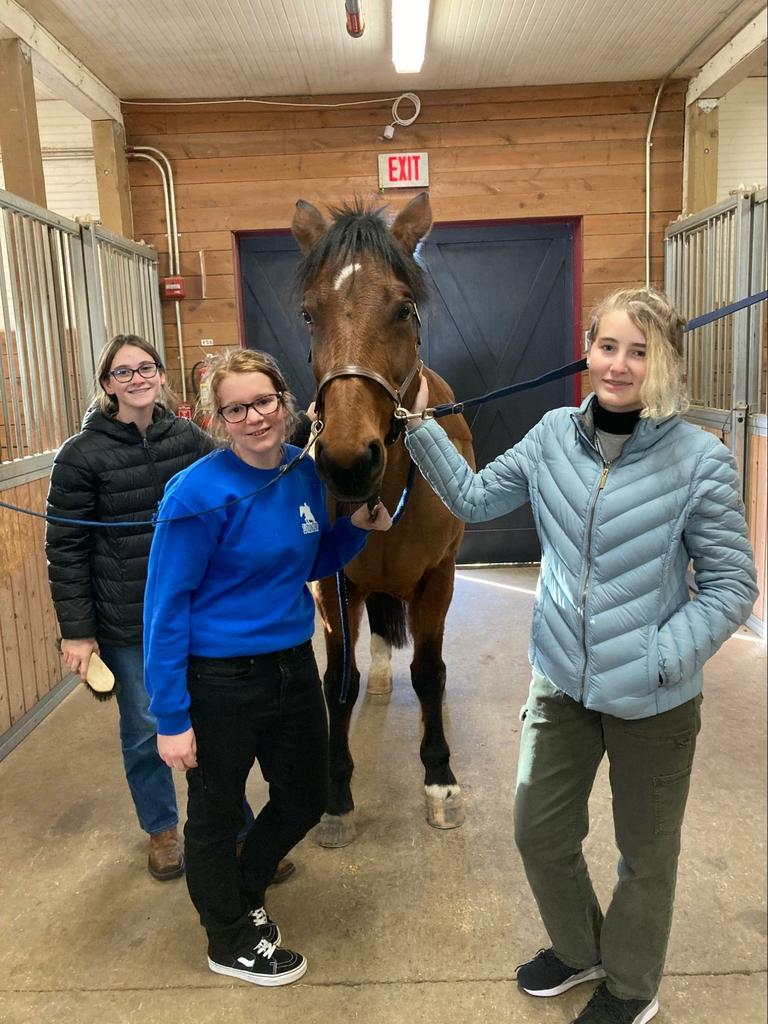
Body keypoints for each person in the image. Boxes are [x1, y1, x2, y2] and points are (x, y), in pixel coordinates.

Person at [404, 287, 758, 1024]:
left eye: (640, 350)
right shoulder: (550, 435)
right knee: (539, 830)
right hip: (562, 680)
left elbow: (731, 585)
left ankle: (631, 985)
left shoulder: (700, 459)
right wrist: (416, 425)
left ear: (665, 362)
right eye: (608, 346)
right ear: (587, 350)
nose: (620, 365)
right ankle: (577, 946)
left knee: (645, 856)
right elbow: (471, 499)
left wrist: (666, 655)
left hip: (655, 696)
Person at [142, 348, 391, 987]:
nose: (253, 417)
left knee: (306, 797)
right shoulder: (195, 493)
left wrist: (358, 528)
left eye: (264, 402)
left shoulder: (301, 475)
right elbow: (165, 609)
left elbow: (304, 562)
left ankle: (244, 888)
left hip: (290, 667)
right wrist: (171, 716)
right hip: (219, 679)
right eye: (235, 408)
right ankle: (228, 939)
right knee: (216, 810)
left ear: (287, 404)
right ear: (216, 417)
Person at [45, 334, 222, 882]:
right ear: (106, 385)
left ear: (162, 375)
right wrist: (77, 632)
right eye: (123, 372)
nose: (137, 378)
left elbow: (227, 496)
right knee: (147, 728)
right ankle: (162, 829)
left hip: (194, 612)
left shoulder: (190, 437)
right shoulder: (80, 455)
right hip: (128, 620)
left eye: (146, 368)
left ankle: (229, 826)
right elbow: (66, 548)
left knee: (215, 725)